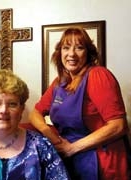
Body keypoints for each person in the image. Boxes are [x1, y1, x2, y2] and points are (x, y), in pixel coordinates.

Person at [29, 27, 131, 180]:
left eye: (79, 48)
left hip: (102, 161)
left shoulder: (98, 75)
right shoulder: (60, 82)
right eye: (66, 48)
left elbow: (118, 125)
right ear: (60, 53)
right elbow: (35, 112)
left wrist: (71, 148)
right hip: (72, 156)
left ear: (88, 54)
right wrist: (48, 132)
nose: (71, 54)